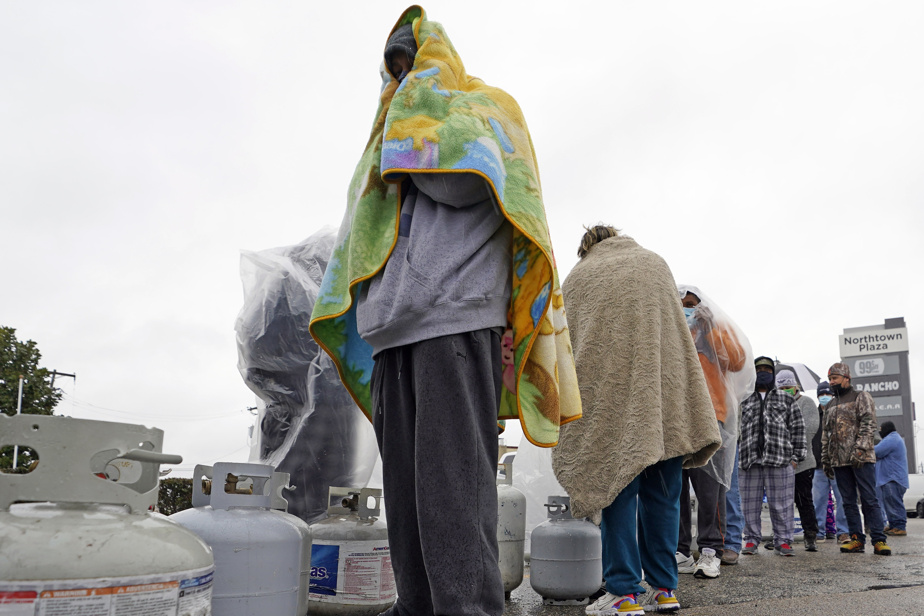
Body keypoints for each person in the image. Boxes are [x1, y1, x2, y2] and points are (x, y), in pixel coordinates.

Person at [308, 8, 581, 616]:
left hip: (454, 322)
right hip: (392, 331)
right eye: (394, 70)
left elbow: (462, 181)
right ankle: (419, 608)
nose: (402, 79)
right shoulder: (392, 130)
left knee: (453, 492)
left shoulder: (485, 109)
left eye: (411, 64)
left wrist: (410, 125)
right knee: (406, 497)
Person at [553, 226, 721, 616]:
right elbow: (678, 338)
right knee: (664, 496)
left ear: (586, 247)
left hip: (609, 400)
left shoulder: (580, 276)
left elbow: (570, 340)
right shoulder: (655, 264)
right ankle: (664, 591)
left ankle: (624, 593)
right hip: (663, 403)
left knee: (614, 490)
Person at [674, 285, 753, 572]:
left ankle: (710, 551)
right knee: (675, 490)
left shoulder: (712, 332)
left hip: (710, 418)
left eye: (692, 304)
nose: (688, 309)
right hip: (676, 420)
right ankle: (680, 551)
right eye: (682, 304)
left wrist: (709, 328)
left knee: (710, 489)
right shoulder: (671, 333)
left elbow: (738, 360)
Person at [821, 363, 891, 556]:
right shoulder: (829, 405)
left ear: (846, 378)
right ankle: (856, 540)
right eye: (830, 379)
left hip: (861, 459)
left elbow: (869, 423)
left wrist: (860, 449)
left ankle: (879, 540)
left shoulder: (861, 396)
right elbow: (826, 435)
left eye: (835, 378)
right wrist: (826, 459)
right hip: (839, 462)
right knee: (848, 502)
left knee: (869, 499)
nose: (832, 382)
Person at [738, 357, 806, 557]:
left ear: (773, 373)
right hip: (749, 461)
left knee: (782, 505)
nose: (763, 372)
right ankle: (751, 539)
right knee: (749, 505)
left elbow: (798, 428)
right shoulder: (743, 399)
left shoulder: (785, 399)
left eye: (768, 369)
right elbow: (735, 429)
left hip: (780, 460)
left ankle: (783, 541)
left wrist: (796, 457)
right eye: (759, 369)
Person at [775, 369, 821, 551]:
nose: (785, 390)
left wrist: (795, 455)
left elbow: (809, 430)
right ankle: (782, 537)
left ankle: (810, 536)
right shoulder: (776, 405)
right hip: (780, 463)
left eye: (788, 387)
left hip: (802, 463)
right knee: (780, 504)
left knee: (804, 501)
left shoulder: (807, 403)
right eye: (781, 388)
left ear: (795, 386)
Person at [811, 381, 849, 543]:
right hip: (818, 465)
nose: (824, 397)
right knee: (817, 500)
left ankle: (843, 531)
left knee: (842, 499)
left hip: (837, 464)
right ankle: (818, 531)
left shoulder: (839, 412)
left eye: (827, 394)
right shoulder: (813, 414)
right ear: (818, 396)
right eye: (821, 394)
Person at [874, 421, 909, 536]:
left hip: (892, 478)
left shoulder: (891, 439)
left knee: (894, 503)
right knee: (890, 503)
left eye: (881, 429)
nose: (880, 432)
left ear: (886, 429)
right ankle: (894, 525)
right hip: (891, 478)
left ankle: (899, 526)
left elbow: (876, 451)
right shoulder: (893, 438)